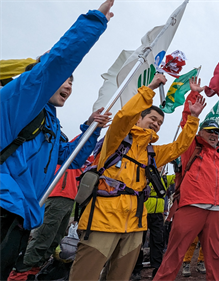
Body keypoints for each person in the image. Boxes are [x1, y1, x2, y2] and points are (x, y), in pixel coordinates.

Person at [0, 2, 114, 277]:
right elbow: (55, 63)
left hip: (19, 214)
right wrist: (95, 22)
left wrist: (90, 128)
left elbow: (68, 158)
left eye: (73, 83)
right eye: (64, 80)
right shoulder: (18, 100)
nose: (68, 86)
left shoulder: (49, 122)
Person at [69, 74, 205, 280]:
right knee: (84, 276)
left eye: (160, 123)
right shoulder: (115, 140)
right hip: (102, 222)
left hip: (135, 226)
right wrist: (150, 89)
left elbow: (179, 147)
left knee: (121, 277)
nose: (156, 124)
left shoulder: (153, 153)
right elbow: (124, 117)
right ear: (139, 118)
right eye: (152, 119)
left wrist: (193, 119)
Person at [153, 85, 219, 281]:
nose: (214, 134)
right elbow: (186, 123)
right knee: (175, 254)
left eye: (217, 132)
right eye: (210, 131)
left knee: (216, 258)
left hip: (215, 210)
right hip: (191, 206)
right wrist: (194, 97)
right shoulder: (192, 147)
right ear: (200, 132)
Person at [7, 152, 93, 281]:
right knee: (43, 238)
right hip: (57, 197)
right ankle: (19, 275)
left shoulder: (84, 159)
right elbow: (82, 144)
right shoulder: (69, 151)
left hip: (69, 200)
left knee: (53, 240)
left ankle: (33, 272)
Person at [131, 167, 176, 280]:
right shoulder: (143, 176)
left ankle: (157, 269)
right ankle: (136, 270)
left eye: (161, 165)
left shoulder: (165, 178)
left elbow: (180, 175)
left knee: (157, 242)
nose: (159, 166)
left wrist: (177, 162)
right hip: (142, 214)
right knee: (138, 242)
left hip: (158, 215)